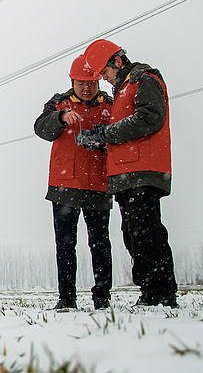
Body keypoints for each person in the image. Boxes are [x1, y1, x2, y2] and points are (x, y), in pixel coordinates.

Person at [77, 39, 178, 308]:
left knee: (147, 232)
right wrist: (99, 138)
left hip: (144, 171)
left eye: (105, 73)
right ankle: (149, 290)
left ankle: (164, 291)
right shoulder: (122, 90)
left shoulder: (145, 79)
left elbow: (149, 118)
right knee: (132, 235)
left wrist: (107, 133)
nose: (105, 80)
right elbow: (121, 129)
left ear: (118, 61)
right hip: (124, 175)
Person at [34, 54, 113, 311]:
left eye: (91, 83)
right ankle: (66, 298)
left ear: (99, 81)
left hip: (99, 185)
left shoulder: (110, 106)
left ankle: (102, 297)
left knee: (100, 243)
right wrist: (60, 118)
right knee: (66, 244)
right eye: (81, 83)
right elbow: (40, 129)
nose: (87, 88)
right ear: (72, 81)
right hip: (64, 186)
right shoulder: (59, 103)